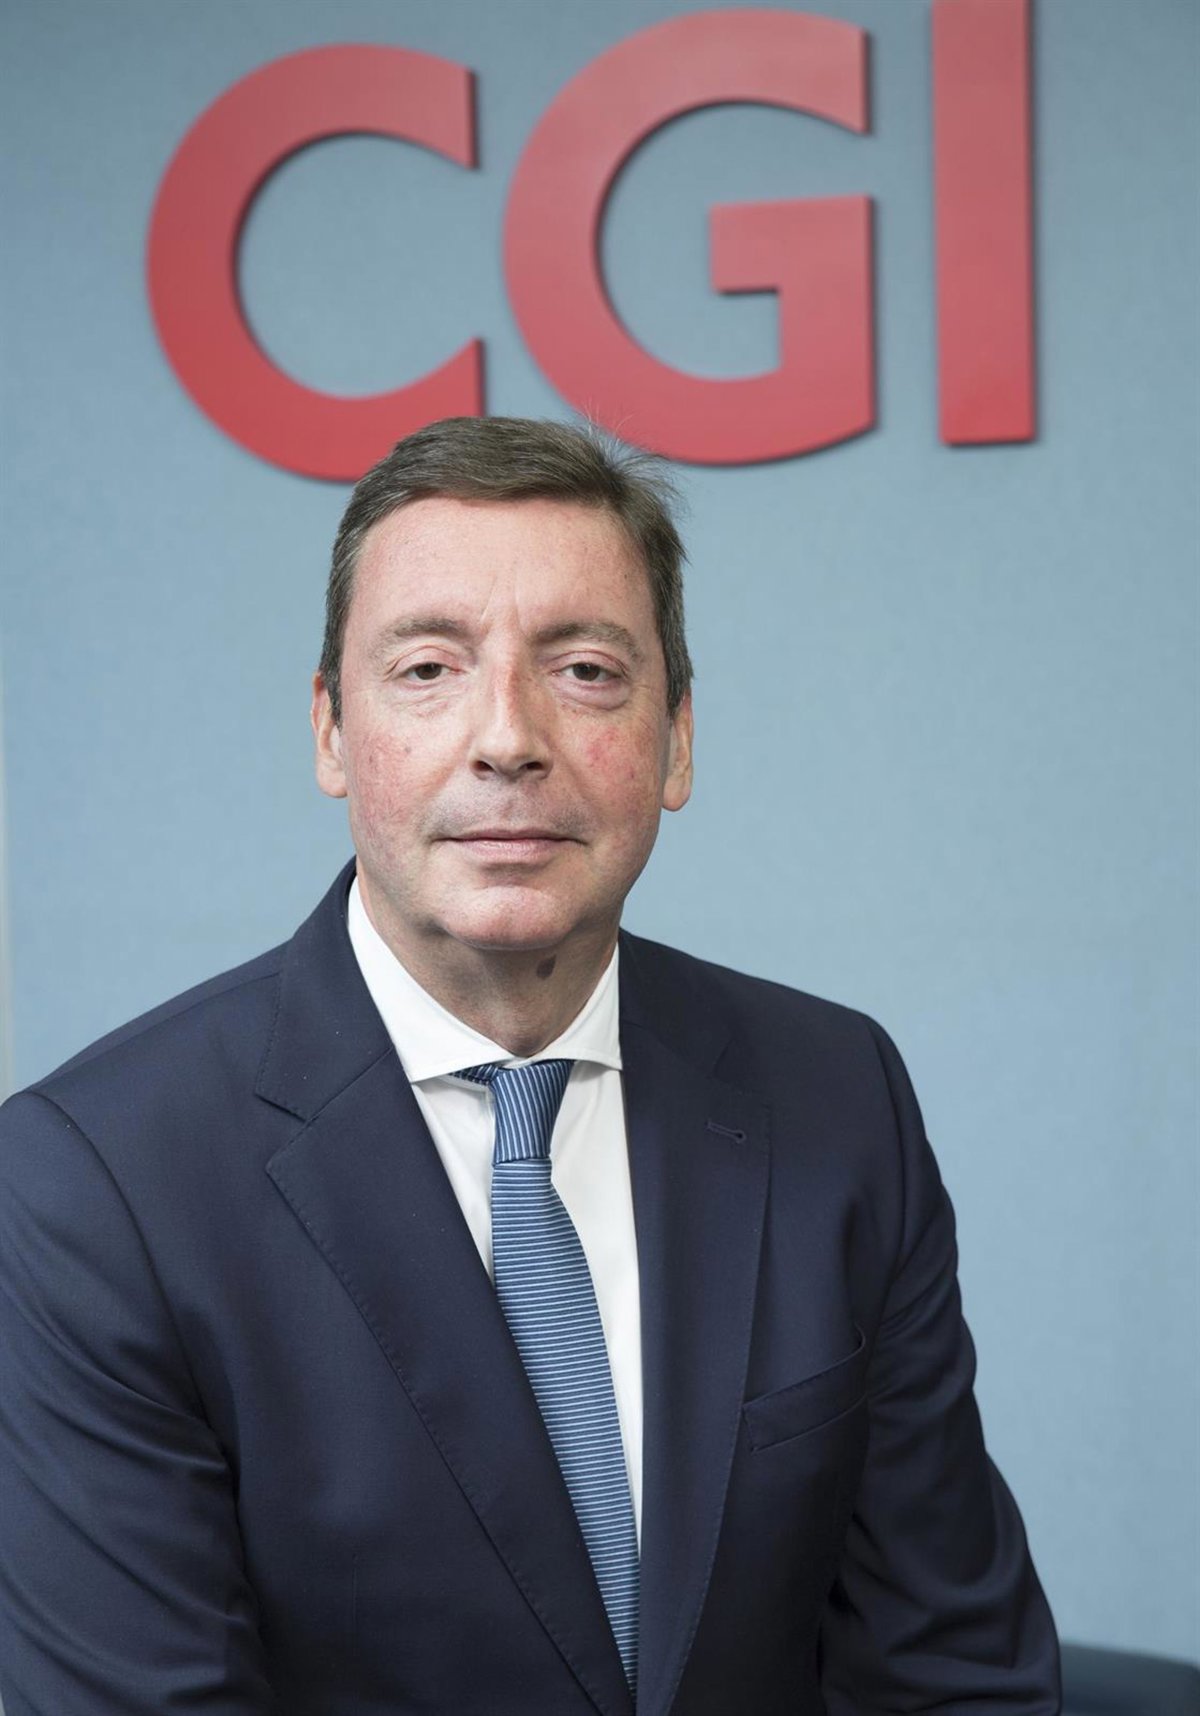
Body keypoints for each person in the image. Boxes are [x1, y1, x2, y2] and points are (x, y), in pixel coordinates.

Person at [0, 416, 1060, 1714]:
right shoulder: (95, 1185)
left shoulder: (838, 1097)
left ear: (676, 739)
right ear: (331, 731)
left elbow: (952, 1667)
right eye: (429, 668)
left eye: (587, 670)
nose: (508, 737)